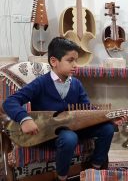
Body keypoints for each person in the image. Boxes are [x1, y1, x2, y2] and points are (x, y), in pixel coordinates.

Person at [2, 37, 115, 181]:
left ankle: (95, 169)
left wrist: (109, 117)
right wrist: (25, 119)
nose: (75, 65)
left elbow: (87, 109)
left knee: (107, 129)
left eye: (76, 60)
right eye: (70, 60)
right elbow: (10, 102)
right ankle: (62, 177)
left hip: (76, 127)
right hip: (50, 133)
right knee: (69, 138)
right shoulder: (41, 83)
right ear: (54, 61)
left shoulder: (76, 84)